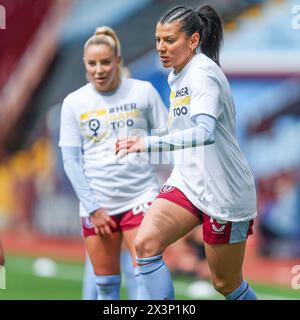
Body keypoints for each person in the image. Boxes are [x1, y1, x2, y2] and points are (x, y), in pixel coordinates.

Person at [116, 5, 257, 300]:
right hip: (188, 181)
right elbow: (179, 130)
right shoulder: (175, 75)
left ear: (193, 41)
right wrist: (145, 138)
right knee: (145, 244)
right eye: (158, 40)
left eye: (170, 40)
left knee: (225, 284)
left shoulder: (203, 74)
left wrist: (149, 143)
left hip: (224, 190)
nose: (161, 48)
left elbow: (203, 133)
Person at [59, 26, 168, 300]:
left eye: (105, 62)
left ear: (118, 60)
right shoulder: (74, 102)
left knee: (146, 276)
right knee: (105, 287)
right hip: (98, 206)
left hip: (140, 197)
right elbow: (70, 160)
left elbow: (169, 138)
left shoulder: (143, 92)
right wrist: (94, 208)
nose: (99, 69)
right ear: (84, 64)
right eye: (92, 63)